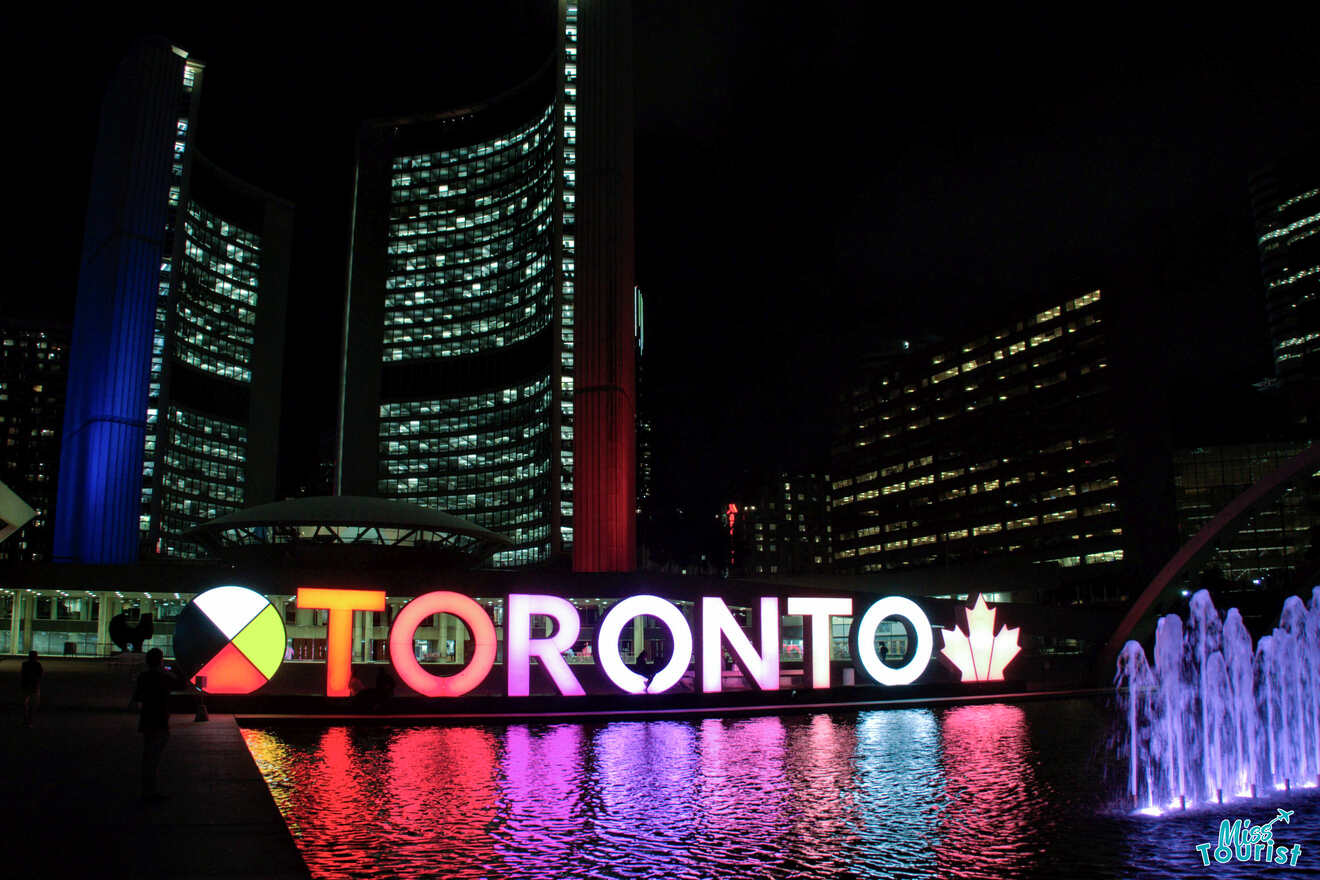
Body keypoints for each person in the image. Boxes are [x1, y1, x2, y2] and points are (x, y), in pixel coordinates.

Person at [132, 647, 179, 802]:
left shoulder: (143, 676)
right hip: (160, 719)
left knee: (147, 756)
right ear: (160, 661)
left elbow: (137, 697)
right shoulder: (164, 677)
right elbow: (181, 684)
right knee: (155, 758)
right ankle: (151, 792)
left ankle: (147, 790)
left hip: (147, 719)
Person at [20, 650, 43, 727]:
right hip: (34, 686)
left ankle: (26, 720)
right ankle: (29, 721)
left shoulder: (25, 664)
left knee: (25, 703)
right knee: (33, 704)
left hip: (26, 686)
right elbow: (40, 675)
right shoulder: (37, 665)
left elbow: (22, 675)